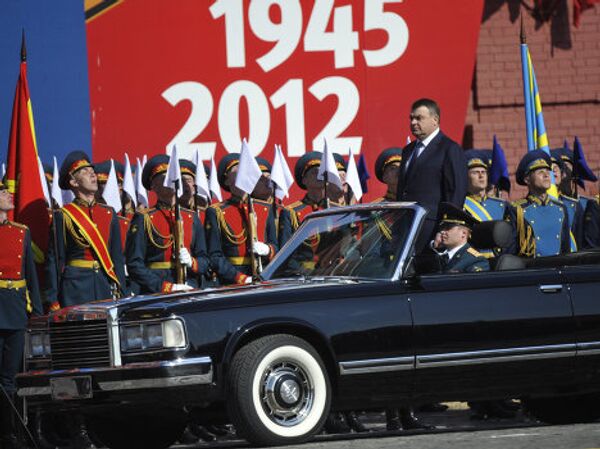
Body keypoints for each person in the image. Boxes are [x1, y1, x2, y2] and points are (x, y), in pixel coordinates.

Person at [45, 151, 127, 308]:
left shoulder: (109, 214)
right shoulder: (64, 215)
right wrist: (52, 298)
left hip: (104, 285)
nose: (93, 175)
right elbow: (55, 260)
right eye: (85, 172)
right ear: (74, 182)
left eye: (93, 172)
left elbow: (116, 258)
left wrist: (122, 293)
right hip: (75, 287)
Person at [126, 154, 210, 293]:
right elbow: (135, 264)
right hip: (157, 292)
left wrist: (192, 262)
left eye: (173, 176)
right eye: (164, 177)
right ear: (153, 186)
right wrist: (166, 287)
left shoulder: (191, 217)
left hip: (190, 288)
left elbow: (205, 260)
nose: (171, 181)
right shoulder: (144, 218)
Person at [0, 180, 43, 449]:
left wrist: (36, 314)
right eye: (3, 192)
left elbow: (31, 279)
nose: (9, 195)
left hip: (16, 310)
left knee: (10, 377)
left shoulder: (21, 231)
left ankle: (10, 432)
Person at [396, 98, 467, 252]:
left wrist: (445, 230)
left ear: (435, 120)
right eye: (411, 118)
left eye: (419, 118)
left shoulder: (449, 149)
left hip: (431, 229)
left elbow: (455, 193)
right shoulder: (408, 151)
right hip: (407, 229)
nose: (413, 122)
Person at [204, 154, 281, 285]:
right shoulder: (216, 211)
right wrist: (241, 278)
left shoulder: (265, 208)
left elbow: (276, 247)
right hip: (232, 281)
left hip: (264, 277)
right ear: (227, 180)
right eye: (236, 171)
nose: (242, 174)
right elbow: (215, 256)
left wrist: (267, 250)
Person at [509, 150, 571, 258]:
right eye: (540, 172)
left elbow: (566, 249)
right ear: (527, 179)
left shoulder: (560, 208)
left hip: (558, 269)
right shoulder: (518, 209)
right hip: (532, 270)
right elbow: (511, 250)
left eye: (547, 171)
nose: (546, 175)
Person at [463, 150, 514, 257]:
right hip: (474, 261)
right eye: (475, 172)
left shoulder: (503, 206)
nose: (481, 176)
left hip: (500, 260)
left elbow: (511, 236)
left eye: (483, 172)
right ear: (466, 177)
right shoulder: (461, 205)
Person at [431, 202, 490, 273]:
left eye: (448, 228)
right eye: (442, 228)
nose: (442, 232)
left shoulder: (476, 260)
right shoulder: (439, 254)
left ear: (463, 233)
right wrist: (435, 248)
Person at [550, 150, 584, 251]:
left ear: (563, 175)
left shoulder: (574, 206)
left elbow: (581, 245)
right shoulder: (522, 209)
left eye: (556, 168)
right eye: (550, 168)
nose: (553, 171)